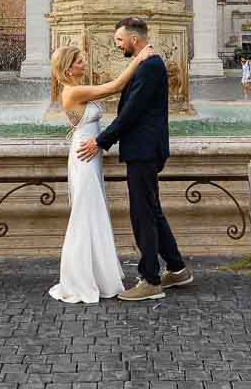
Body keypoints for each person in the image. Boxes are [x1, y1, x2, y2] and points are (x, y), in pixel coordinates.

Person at [77, 17, 191, 301]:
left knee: (142, 214)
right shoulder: (146, 63)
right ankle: (177, 268)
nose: (117, 46)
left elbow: (131, 113)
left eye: (119, 40)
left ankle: (150, 279)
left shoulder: (150, 66)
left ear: (134, 40)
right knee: (152, 210)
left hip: (144, 150)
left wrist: (102, 142)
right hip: (146, 148)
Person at [47, 42, 156, 304]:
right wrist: (139, 58)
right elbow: (114, 87)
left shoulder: (78, 89)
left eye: (83, 60)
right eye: (79, 61)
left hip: (90, 156)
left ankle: (97, 275)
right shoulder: (73, 92)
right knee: (85, 214)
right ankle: (80, 279)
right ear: (68, 68)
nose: (84, 64)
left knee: (93, 213)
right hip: (84, 157)